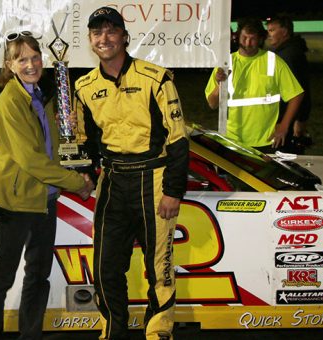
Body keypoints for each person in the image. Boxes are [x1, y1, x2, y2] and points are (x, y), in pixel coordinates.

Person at [74, 7, 189, 339]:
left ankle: (158, 333)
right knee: (105, 267)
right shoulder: (83, 86)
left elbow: (179, 139)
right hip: (112, 181)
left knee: (159, 268)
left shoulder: (156, 77)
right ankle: (112, 331)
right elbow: (83, 141)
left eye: (111, 31)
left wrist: (173, 190)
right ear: (91, 41)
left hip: (153, 179)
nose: (104, 39)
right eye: (97, 33)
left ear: (124, 36)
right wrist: (84, 172)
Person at [0, 32, 93, 340]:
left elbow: (52, 148)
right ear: (9, 64)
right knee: (2, 276)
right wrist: (75, 182)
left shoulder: (40, 95)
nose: (31, 64)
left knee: (38, 276)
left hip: (45, 198)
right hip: (16, 202)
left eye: (35, 57)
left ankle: (31, 334)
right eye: (22, 59)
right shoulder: (10, 102)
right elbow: (31, 159)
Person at [205, 17, 304, 153]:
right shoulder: (226, 63)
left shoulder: (273, 61)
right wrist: (219, 85)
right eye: (244, 37)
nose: (248, 43)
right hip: (233, 141)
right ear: (238, 36)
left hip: (267, 141)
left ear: (260, 39)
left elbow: (296, 95)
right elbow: (212, 104)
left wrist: (284, 126)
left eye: (253, 39)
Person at [266, 15, 312, 154]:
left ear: (285, 32)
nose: (269, 35)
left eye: (272, 30)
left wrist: (296, 120)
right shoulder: (291, 51)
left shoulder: (287, 55)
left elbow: (298, 90)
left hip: (285, 121)